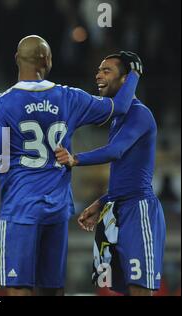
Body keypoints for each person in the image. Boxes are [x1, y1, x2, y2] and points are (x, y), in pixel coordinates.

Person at [0, 35, 142, 296]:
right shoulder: (70, 97)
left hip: (20, 209)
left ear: (17, 60)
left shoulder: (2, 104)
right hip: (57, 209)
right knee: (53, 290)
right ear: (48, 61)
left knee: (19, 288)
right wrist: (133, 72)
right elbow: (120, 107)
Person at [54, 52, 165, 296]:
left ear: (125, 79)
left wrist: (76, 159)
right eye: (98, 70)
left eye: (106, 70)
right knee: (118, 286)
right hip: (117, 207)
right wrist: (103, 201)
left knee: (140, 288)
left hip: (139, 209)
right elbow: (126, 172)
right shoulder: (117, 117)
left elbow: (116, 151)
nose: (98, 75)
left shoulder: (139, 113)